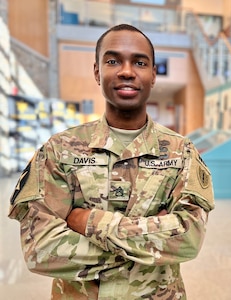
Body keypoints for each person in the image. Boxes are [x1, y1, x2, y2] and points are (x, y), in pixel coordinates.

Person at [8, 24, 214, 299]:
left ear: (153, 75)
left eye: (139, 62)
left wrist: (89, 222)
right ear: (97, 72)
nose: (127, 71)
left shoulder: (181, 153)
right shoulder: (59, 151)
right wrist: (151, 242)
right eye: (113, 60)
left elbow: (188, 239)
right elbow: (41, 250)